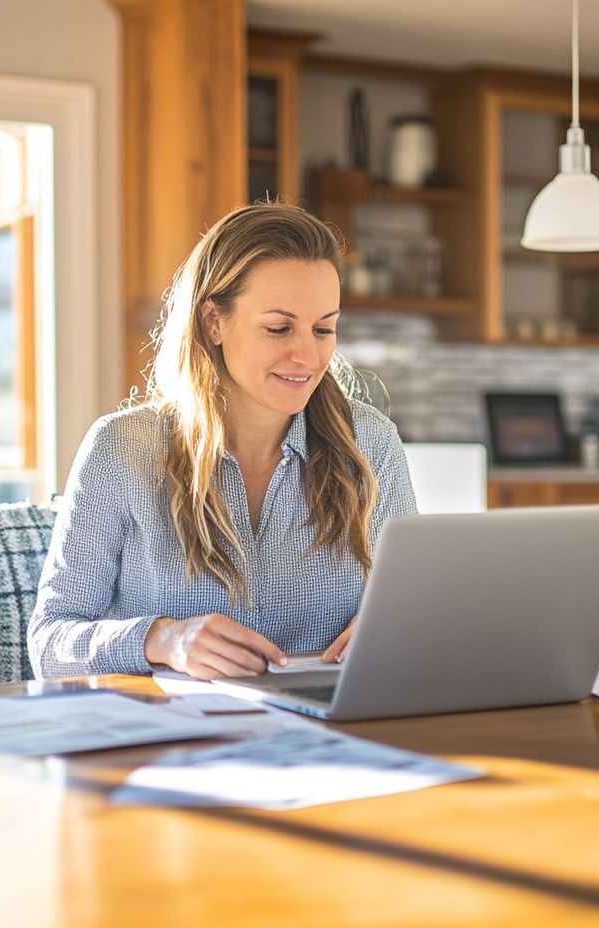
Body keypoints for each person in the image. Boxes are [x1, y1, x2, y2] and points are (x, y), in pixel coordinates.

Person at [28, 202, 417, 681]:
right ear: (214, 322)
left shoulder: (370, 442)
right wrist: (164, 640)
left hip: (334, 729)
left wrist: (397, 630)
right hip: (179, 739)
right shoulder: (123, 448)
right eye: (278, 328)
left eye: (324, 329)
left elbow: (415, 605)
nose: (308, 355)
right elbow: (49, 642)